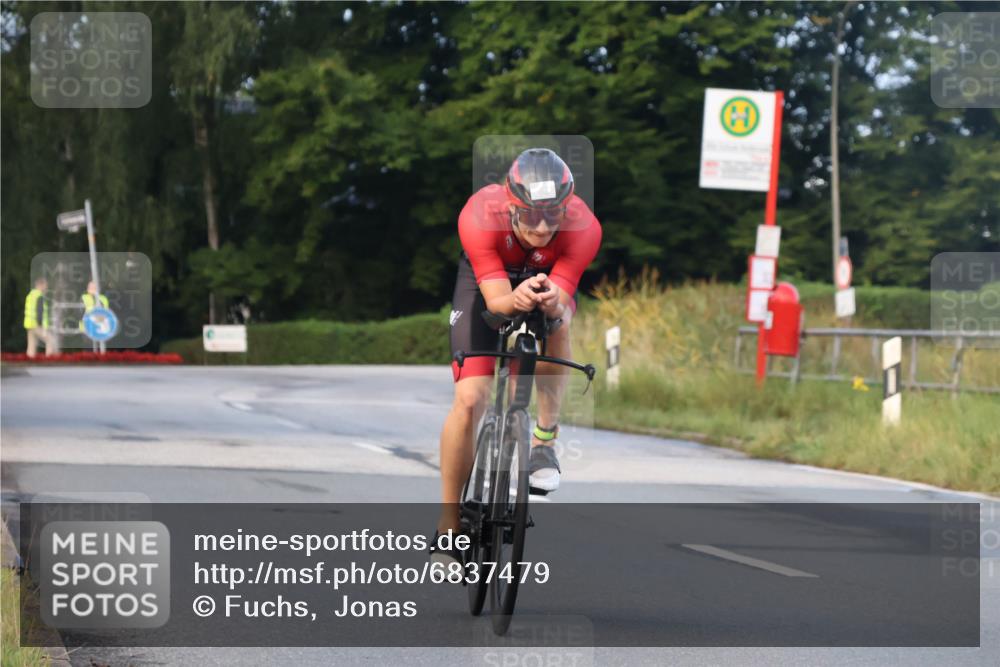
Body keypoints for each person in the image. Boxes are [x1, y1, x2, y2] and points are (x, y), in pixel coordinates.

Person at [432, 148, 602, 563]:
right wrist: (515, 299)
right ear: (510, 205)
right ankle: (449, 527)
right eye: (529, 215)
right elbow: (496, 303)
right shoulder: (478, 216)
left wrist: (547, 302)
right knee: (471, 400)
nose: (543, 227)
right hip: (486, 284)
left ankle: (544, 441)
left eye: (554, 214)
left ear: (569, 207)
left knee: (558, 322)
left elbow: (559, 301)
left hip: (545, 281)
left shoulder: (585, 228)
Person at [24, 277, 54, 357]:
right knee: (50, 339)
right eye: (45, 285)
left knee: (31, 345)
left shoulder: (30, 295)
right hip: (37, 324)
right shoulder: (39, 296)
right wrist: (41, 324)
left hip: (29, 324)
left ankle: (29, 362)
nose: (46, 287)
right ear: (40, 285)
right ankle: (49, 360)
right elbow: (39, 311)